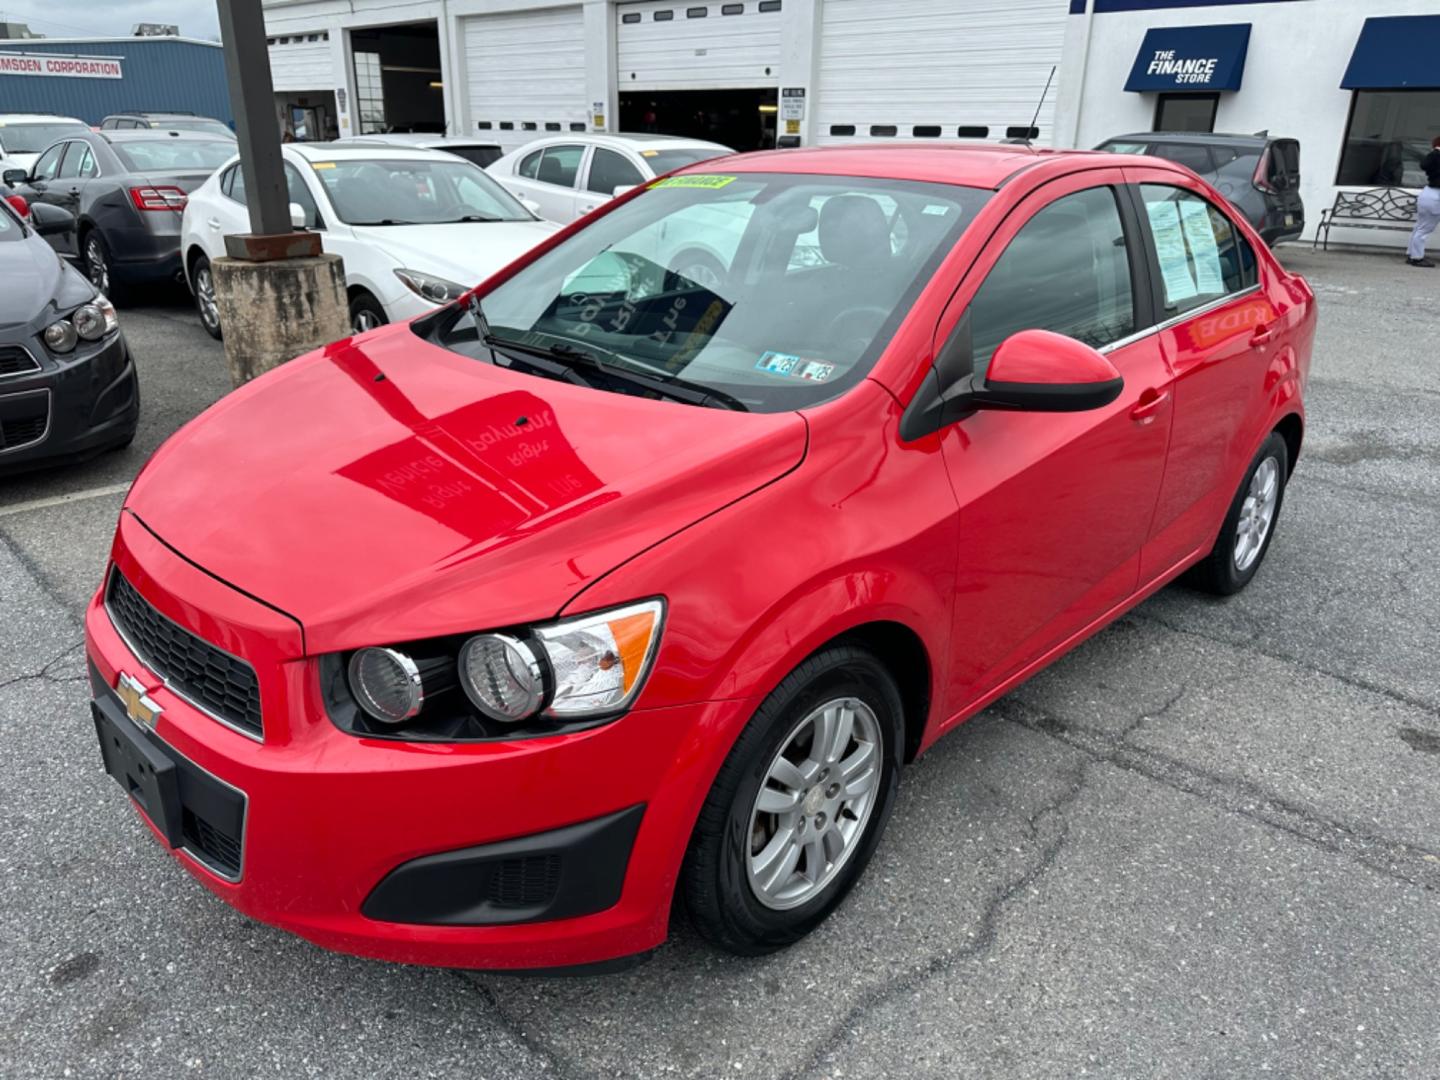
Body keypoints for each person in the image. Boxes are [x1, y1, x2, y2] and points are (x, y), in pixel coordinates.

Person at [1407, 135, 1440, 267]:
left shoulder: (1433, 156)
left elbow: (1424, 165)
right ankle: (1416, 258)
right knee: (1424, 229)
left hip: (1428, 194)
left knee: (1419, 227)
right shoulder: (1436, 156)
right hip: (1435, 196)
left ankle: (1412, 254)